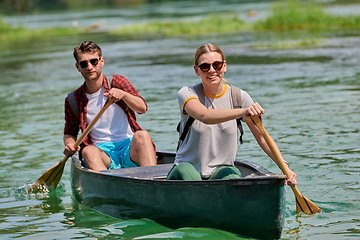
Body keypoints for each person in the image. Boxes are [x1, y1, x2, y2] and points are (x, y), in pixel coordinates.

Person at [167, 43, 297, 186]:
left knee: (230, 173)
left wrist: (284, 168)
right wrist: (243, 112)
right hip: (185, 171)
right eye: (205, 67)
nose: (212, 70)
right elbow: (205, 116)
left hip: (220, 171)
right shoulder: (187, 93)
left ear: (224, 66)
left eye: (217, 65)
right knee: (186, 171)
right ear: (197, 70)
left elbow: (262, 137)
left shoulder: (239, 97)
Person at [63, 41, 156, 170]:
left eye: (94, 61)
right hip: (101, 153)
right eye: (84, 63)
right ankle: (108, 185)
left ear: (102, 61)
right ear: (78, 67)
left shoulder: (118, 82)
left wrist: (123, 95)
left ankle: (151, 182)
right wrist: (70, 144)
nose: (89, 67)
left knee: (143, 135)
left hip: (129, 147)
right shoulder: (73, 99)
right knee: (88, 151)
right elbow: (69, 132)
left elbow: (142, 108)